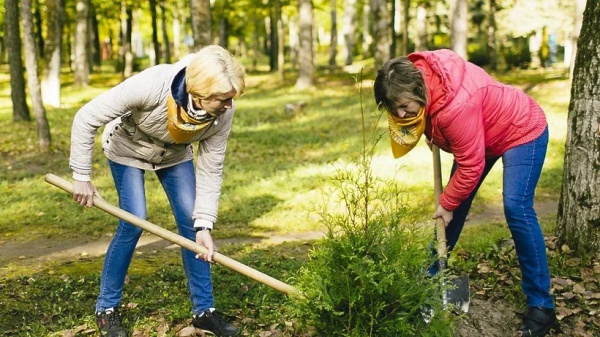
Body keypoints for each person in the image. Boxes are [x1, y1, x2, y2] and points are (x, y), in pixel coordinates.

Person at [373, 49, 557, 337]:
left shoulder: (455, 106)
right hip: (478, 136)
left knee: (515, 207)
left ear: (418, 88)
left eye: (404, 105)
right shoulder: (420, 84)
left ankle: (542, 306)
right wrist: (426, 129)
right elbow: (417, 123)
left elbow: (471, 166)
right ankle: (428, 280)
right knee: (452, 209)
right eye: (393, 107)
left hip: (520, 129)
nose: (399, 114)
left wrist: (447, 203)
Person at [69, 45, 245, 337]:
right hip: (126, 148)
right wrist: (82, 176)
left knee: (192, 226)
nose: (229, 106)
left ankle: (204, 311)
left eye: (231, 99)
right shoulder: (151, 85)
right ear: (200, 93)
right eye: (224, 99)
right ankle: (107, 309)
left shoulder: (223, 113)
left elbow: (210, 168)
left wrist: (204, 223)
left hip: (174, 155)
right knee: (134, 219)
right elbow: (86, 117)